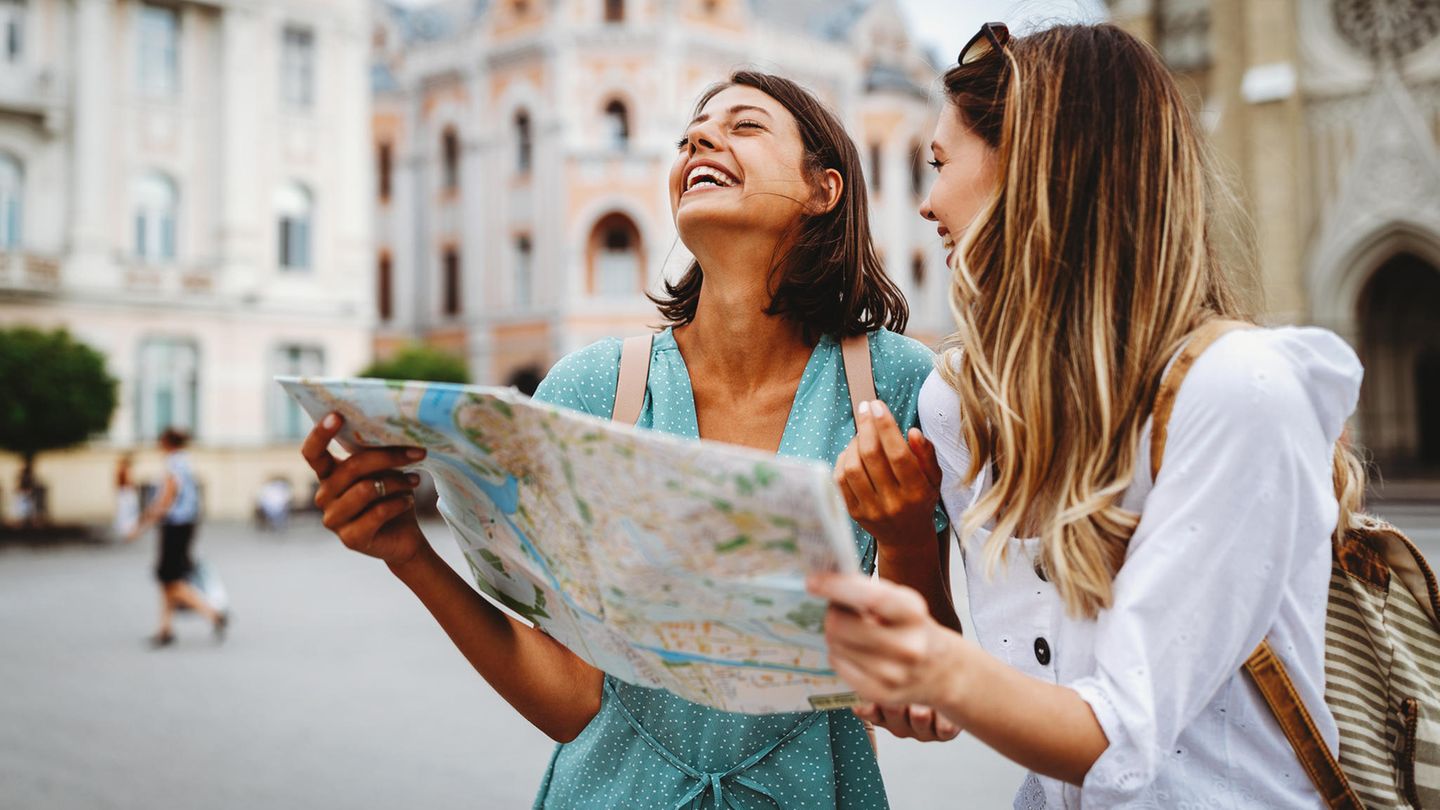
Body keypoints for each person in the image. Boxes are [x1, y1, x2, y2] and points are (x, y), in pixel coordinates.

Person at [301, 70, 945, 807]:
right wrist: (411, 556)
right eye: (692, 134)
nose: (700, 138)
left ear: (824, 189)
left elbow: (923, 688)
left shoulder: (894, 386)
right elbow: (570, 700)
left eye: (744, 126)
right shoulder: (589, 390)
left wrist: (906, 539)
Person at [810, 22, 1366, 808]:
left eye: (940, 163)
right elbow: (953, 706)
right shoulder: (961, 401)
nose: (927, 202)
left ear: (1040, 167)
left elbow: (1121, 735)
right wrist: (902, 546)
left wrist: (926, 661)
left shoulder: (1237, 389)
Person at [127, 427, 228, 647]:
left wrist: (141, 524)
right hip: (185, 525)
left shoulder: (174, 464)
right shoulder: (185, 461)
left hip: (175, 527)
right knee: (167, 580)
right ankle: (165, 629)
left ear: (166, 442)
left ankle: (214, 614)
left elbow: (166, 500)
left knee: (171, 579)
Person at [113, 453, 140, 541]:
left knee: (124, 513)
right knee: (129, 513)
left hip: (123, 493)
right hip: (127, 493)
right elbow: (129, 482)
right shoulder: (126, 470)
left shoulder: (119, 470)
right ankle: (129, 532)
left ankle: (127, 532)